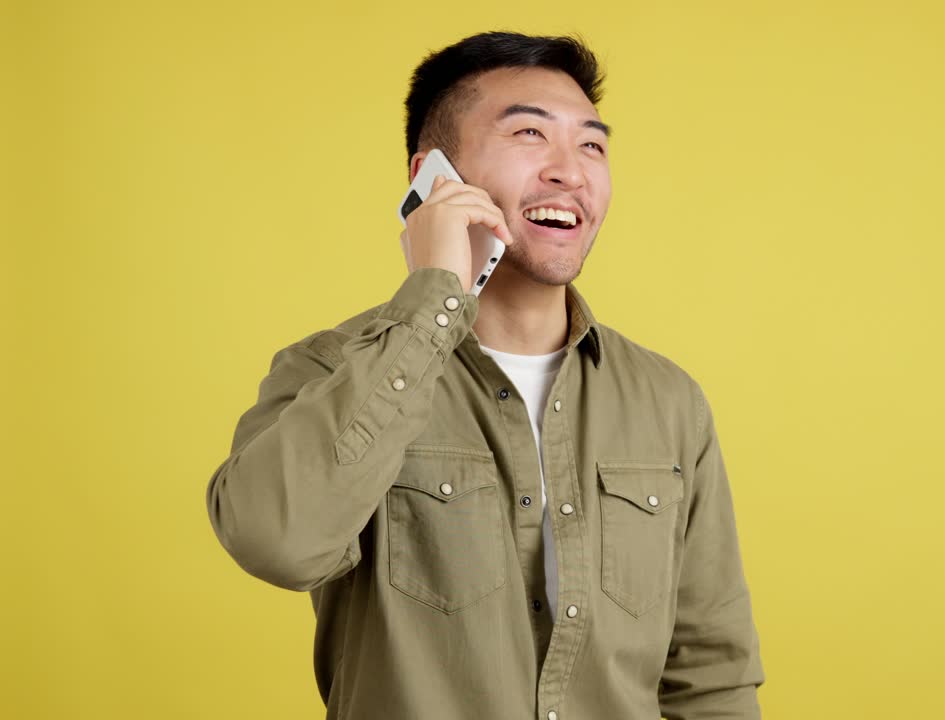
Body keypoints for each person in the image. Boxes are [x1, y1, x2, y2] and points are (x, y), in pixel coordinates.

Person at [205, 30, 765, 720]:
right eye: (530, 134)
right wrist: (433, 298)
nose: (571, 171)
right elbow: (275, 541)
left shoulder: (667, 401)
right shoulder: (329, 371)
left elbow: (710, 676)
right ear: (432, 176)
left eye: (591, 144)